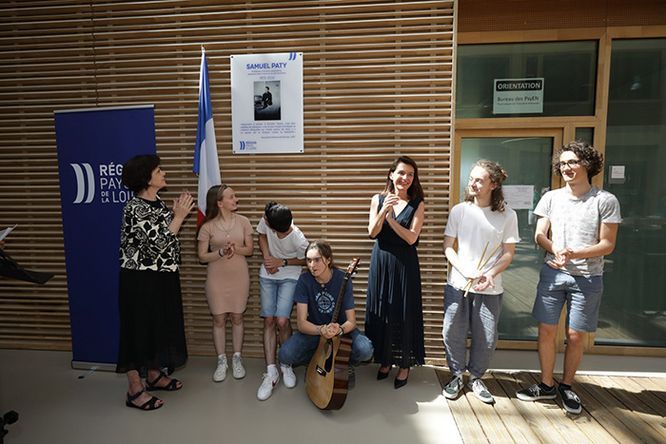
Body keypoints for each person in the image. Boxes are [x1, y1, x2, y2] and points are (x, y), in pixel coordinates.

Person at [516, 141, 621, 415]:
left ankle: (566, 385)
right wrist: (556, 250)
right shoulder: (551, 197)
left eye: (572, 162)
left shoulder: (605, 200)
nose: (566, 167)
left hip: (588, 277)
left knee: (575, 336)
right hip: (553, 272)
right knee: (546, 331)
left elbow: (608, 244)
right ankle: (546, 384)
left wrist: (573, 254)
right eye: (562, 163)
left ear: (588, 164)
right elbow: (539, 234)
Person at [116, 154, 195, 411]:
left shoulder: (157, 202)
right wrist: (179, 216)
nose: (164, 173)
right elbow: (160, 243)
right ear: (147, 178)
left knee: (158, 325)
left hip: (162, 275)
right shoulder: (134, 207)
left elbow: (165, 237)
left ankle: (152, 375)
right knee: (138, 330)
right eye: (159, 170)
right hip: (141, 279)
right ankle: (134, 389)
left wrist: (174, 214)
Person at [441, 160, 520, 404]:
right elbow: (448, 246)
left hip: (490, 286)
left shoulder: (507, 215)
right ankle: (456, 375)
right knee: (452, 331)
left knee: (486, 335)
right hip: (458, 282)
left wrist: (491, 274)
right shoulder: (459, 211)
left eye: (479, 180)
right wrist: (464, 269)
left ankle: (476, 377)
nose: (472, 184)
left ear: (493, 184)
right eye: (471, 179)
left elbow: (508, 253)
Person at [365, 155, 425, 389]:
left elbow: (411, 238)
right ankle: (385, 359)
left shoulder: (417, 203)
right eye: (401, 173)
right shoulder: (377, 199)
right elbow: (372, 232)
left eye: (410, 174)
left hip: (405, 264)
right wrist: (384, 212)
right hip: (381, 262)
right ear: (391, 174)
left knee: (404, 311)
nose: (405, 178)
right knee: (383, 310)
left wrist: (391, 221)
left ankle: (404, 365)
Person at [278, 241, 373, 377]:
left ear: (328, 260)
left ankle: (343, 364)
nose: (312, 265)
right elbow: (302, 323)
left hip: (341, 331)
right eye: (309, 260)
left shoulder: (343, 278)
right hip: (315, 330)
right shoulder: (304, 280)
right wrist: (321, 329)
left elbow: (351, 322)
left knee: (365, 350)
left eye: (317, 260)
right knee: (285, 354)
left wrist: (339, 329)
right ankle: (315, 362)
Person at [197, 185, 254, 383]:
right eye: (231, 197)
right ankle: (221, 360)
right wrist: (220, 252)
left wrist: (235, 249)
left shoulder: (244, 221)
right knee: (219, 319)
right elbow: (202, 257)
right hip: (216, 279)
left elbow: (250, 250)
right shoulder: (207, 226)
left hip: (239, 277)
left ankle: (237, 358)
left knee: (237, 317)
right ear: (219, 203)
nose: (235, 199)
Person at [256, 201, 309, 401]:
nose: (264, 221)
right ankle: (271, 371)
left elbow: (307, 259)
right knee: (269, 320)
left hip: (290, 276)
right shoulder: (267, 219)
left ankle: (286, 364)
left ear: (274, 226)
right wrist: (267, 257)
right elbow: (261, 235)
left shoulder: (298, 238)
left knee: (282, 321)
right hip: (267, 275)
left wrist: (283, 262)